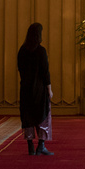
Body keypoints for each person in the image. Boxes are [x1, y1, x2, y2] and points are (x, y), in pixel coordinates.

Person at [18, 23, 54, 156]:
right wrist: (49, 89)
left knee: (28, 117)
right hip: (39, 89)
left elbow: (20, 70)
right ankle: (41, 146)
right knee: (42, 117)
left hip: (25, 89)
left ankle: (30, 147)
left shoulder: (22, 50)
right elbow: (46, 73)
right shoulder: (41, 51)